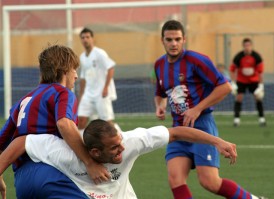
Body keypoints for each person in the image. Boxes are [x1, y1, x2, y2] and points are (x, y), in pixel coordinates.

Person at [154, 20, 266, 199]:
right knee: (175, 179)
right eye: (169, 39)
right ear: (162, 41)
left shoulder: (197, 60)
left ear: (184, 40)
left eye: (177, 39)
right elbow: (160, 92)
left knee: (209, 182)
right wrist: (160, 106)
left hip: (202, 125)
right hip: (178, 130)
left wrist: (197, 109)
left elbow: (225, 87)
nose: (173, 43)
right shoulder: (159, 65)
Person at [0, 119, 237, 199]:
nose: (121, 148)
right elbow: (22, 142)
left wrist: (218, 142)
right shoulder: (65, 152)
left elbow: (175, 132)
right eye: (113, 148)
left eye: (120, 142)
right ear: (93, 153)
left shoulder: (130, 141)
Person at [0, 45, 110, 199]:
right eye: (74, 70)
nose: (76, 76)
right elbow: (64, 123)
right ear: (64, 70)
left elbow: (1, 143)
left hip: (22, 182)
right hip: (52, 173)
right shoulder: (62, 93)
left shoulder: (22, 102)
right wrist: (89, 163)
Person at [78, 27, 120, 132]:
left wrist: (105, 88)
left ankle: (120, 138)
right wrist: (81, 95)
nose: (85, 39)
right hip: (88, 94)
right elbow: (83, 77)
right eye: (83, 37)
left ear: (92, 39)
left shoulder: (100, 53)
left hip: (101, 94)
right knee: (81, 120)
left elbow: (110, 68)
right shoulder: (82, 57)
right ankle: (79, 145)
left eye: (87, 37)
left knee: (107, 123)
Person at [230, 38, 266, 127]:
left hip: (253, 80)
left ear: (251, 46)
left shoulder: (256, 57)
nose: (247, 47)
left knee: (258, 97)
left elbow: (260, 72)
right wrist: (233, 83)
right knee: (239, 98)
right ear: (243, 46)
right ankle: (236, 119)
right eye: (245, 45)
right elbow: (232, 70)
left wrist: (261, 85)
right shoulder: (238, 57)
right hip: (241, 80)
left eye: (249, 45)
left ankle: (262, 119)